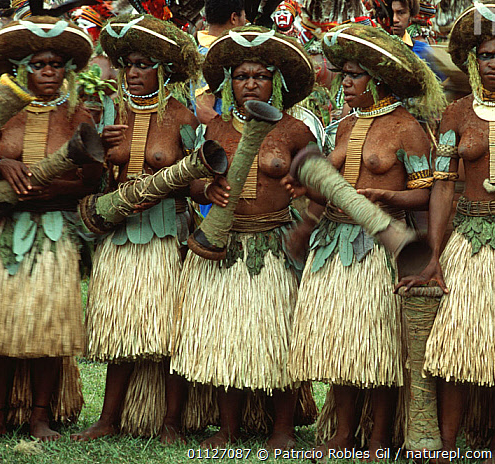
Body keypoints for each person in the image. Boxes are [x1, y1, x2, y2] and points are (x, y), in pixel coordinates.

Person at [397, 2, 495, 462]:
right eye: (487, 56)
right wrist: (435, 252)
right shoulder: (456, 114)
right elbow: (443, 186)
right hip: (469, 237)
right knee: (456, 343)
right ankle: (446, 444)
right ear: (472, 60)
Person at [286, 23, 445, 456]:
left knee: (376, 347)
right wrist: (307, 201)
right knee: (341, 341)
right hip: (333, 243)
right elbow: (330, 184)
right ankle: (342, 434)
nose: (345, 83)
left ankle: (377, 439)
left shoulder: (407, 128)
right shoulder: (344, 126)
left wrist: (387, 194)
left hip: (380, 245)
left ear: (378, 80)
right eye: (343, 74)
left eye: (354, 75)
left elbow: (427, 191)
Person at [168, 25, 316, 449]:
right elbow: (193, 182)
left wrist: (302, 192)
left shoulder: (294, 131)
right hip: (223, 243)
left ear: (278, 82)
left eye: (261, 75)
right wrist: (206, 190)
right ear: (229, 84)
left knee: (280, 334)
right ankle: (228, 428)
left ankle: (283, 429)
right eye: (241, 76)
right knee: (227, 333)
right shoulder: (214, 130)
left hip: (276, 244)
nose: (251, 83)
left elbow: (318, 184)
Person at [71, 13, 202, 443]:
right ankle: (107, 419)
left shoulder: (183, 115)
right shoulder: (110, 110)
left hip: (166, 230)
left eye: (144, 63)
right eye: (128, 63)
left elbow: (200, 177)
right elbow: (92, 178)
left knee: (167, 328)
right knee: (120, 326)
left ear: (163, 70)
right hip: (119, 232)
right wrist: (97, 151)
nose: (134, 72)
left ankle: (170, 422)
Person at [0, 16, 98, 441]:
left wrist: (47, 184)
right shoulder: (1, 114)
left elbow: (91, 180)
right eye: (39, 64)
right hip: (5, 228)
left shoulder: (78, 114)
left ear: (67, 70)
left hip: (56, 228)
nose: (49, 71)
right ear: (21, 70)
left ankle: (40, 416)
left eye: (55, 64)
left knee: (50, 323)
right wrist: (0, 165)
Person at [195, 0, 247, 124]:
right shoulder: (210, 56)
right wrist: (232, 134)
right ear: (234, 18)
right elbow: (204, 110)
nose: (245, 23)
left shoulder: (206, 50)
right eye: (245, 17)